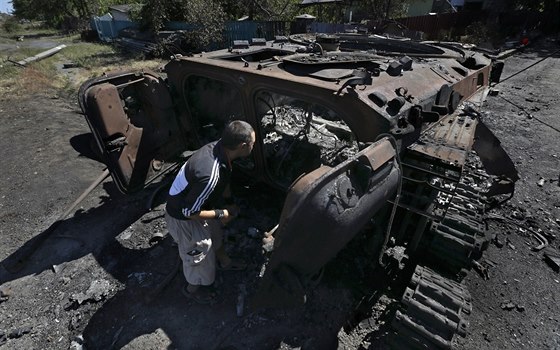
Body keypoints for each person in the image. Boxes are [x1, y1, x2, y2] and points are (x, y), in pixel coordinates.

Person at [165, 120, 256, 304]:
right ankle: (193, 289)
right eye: (253, 144)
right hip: (184, 219)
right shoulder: (209, 174)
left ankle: (225, 262)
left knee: (215, 234)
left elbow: (224, 181)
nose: (254, 146)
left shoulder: (220, 149)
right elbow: (189, 212)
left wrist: (228, 203)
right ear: (243, 146)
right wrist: (221, 214)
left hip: (198, 206)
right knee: (199, 252)